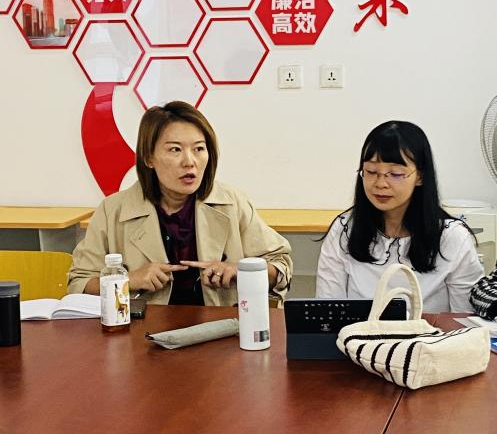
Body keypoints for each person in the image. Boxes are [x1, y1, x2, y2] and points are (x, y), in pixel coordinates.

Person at [68, 101, 292, 305]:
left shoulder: (232, 202)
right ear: (148, 158)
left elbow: (280, 265)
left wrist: (240, 271)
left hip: (222, 328)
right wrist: (129, 280)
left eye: (199, 149)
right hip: (142, 330)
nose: (189, 161)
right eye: (175, 149)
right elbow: (80, 283)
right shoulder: (112, 210)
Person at [316, 120, 483, 313]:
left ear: (419, 176)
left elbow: (464, 320)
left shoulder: (452, 237)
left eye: (395, 173)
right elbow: (327, 310)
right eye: (371, 171)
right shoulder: (345, 230)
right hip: (359, 333)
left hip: (428, 333)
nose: (380, 183)